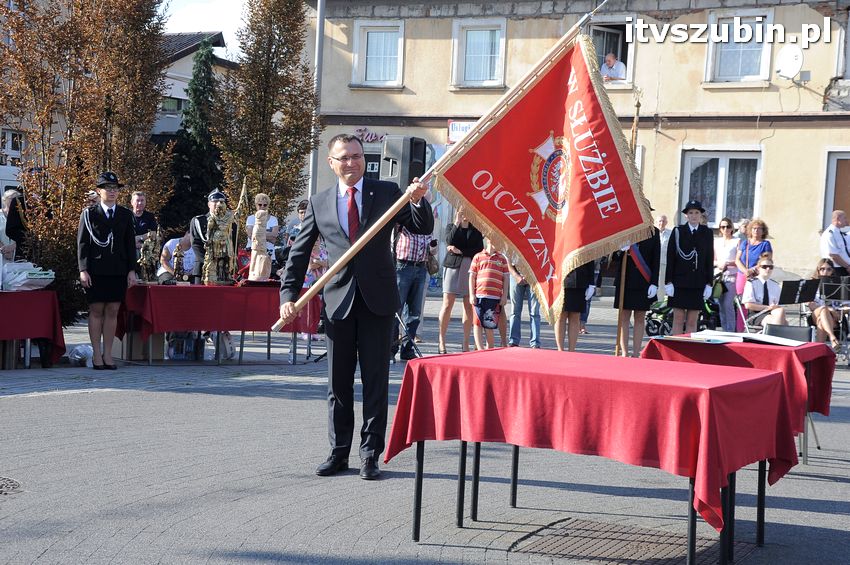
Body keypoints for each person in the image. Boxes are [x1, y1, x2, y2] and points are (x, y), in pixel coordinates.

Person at [278, 133, 433, 480]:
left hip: (378, 302)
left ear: (365, 159)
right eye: (344, 157)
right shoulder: (319, 203)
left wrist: (419, 200)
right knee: (338, 384)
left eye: (357, 156)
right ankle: (338, 453)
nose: (351, 162)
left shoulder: (388, 193)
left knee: (376, 381)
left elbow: (421, 226)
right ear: (331, 163)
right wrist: (288, 297)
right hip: (338, 304)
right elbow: (299, 254)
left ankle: (369, 454)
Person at [77, 172, 137, 370]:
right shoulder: (89, 214)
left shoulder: (125, 214)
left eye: (115, 188)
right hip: (96, 269)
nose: (112, 192)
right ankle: (96, 354)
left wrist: (131, 270)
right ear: (98, 191)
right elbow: (83, 244)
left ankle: (108, 354)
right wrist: (83, 269)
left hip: (118, 269)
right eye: (108, 188)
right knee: (96, 310)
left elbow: (129, 245)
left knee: (113, 310)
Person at [437, 211, 483, 354]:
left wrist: (460, 251)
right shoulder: (452, 226)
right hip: (452, 268)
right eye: (461, 211)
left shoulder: (476, 230)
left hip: (468, 269)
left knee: (468, 306)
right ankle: (441, 341)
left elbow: (478, 249)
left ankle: (465, 342)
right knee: (447, 304)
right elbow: (449, 240)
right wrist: (457, 222)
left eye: (466, 211)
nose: (464, 214)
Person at [665, 200, 714, 334]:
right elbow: (671, 258)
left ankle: (687, 351)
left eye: (697, 212)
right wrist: (668, 281)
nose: (694, 215)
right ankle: (676, 350)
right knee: (678, 319)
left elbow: (709, 259)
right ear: (686, 215)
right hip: (679, 282)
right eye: (691, 212)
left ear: (701, 215)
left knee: (693, 320)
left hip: (698, 282)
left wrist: (709, 283)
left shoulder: (707, 233)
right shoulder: (678, 231)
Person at [613, 230, 661, 357]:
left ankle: (635, 353)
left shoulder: (653, 232)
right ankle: (624, 352)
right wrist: (620, 250)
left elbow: (656, 259)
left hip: (644, 281)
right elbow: (613, 257)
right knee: (624, 317)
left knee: (640, 318)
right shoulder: (626, 229)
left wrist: (654, 283)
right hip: (626, 280)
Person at [391, 226, 432, 361]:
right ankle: (390, 349)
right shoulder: (405, 220)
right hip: (403, 266)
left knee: (415, 313)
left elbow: (431, 248)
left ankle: (407, 349)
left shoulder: (427, 223)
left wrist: (433, 248)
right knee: (396, 310)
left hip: (421, 267)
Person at [189, 190, 238, 284]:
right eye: (214, 201)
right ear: (209, 204)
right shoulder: (199, 221)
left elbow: (234, 243)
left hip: (224, 270)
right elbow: (196, 245)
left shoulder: (231, 223)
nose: (218, 204)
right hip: (204, 269)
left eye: (221, 202)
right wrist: (210, 263)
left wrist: (231, 262)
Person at [468, 239, 509, 350]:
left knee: (489, 323)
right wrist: (472, 294)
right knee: (477, 322)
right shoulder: (478, 256)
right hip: (479, 295)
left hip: (494, 296)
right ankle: (480, 349)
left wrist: (504, 295)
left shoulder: (502, 259)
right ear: (489, 240)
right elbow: (472, 276)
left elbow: (506, 277)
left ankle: (490, 348)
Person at [555, 261, 596, 352]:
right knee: (561, 316)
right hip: (561, 278)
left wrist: (591, 283)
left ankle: (572, 350)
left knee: (575, 316)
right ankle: (560, 350)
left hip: (580, 280)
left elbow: (590, 257)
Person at [742, 256, 788, 328]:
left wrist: (774, 307)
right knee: (784, 323)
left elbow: (779, 304)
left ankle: (774, 335)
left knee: (780, 311)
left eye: (770, 267)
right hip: (756, 314)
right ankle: (775, 336)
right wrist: (767, 307)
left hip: (771, 312)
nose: (768, 269)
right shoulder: (751, 283)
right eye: (764, 267)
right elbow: (748, 305)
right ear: (758, 268)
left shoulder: (775, 285)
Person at [808, 258, 842, 349]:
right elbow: (811, 305)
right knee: (823, 310)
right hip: (816, 313)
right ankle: (832, 337)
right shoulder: (812, 284)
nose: (825, 271)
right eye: (822, 269)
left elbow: (847, 306)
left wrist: (838, 311)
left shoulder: (839, 285)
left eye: (828, 269)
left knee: (821, 322)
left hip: (835, 317)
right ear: (818, 270)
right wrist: (828, 308)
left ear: (833, 271)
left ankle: (819, 351)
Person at [734, 217, 773, 294]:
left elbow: (766, 261)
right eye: (754, 228)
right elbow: (737, 260)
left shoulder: (765, 244)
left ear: (763, 231)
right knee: (741, 300)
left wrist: (752, 270)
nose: (756, 230)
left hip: (757, 276)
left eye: (759, 228)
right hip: (742, 276)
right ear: (750, 230)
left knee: (754, 299)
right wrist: (746, 271)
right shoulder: (745, 243)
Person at [714, 216, 739, 331]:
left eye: (728, 226)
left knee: (728, 304)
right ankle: (724, 329)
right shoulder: (716, 241)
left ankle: (731, 330)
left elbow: (740, 260)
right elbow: (712, 259)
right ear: (720, 228)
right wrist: (718, 263)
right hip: (719, 277)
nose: (725, 229)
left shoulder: (736, 241)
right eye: (723, 227)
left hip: (731, 276)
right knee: (720, 304)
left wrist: (728, 263)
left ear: (732, 228)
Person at [507, 262, 541, 348]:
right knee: (515, 311)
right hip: (515, 275)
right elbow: (508, 259)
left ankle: (535, 342)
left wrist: (532, 274)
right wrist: (516, 276)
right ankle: (513, 341)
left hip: (534, 276)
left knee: (534, 312)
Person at [820, 210, 850, 276]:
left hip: (843, 268)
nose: (846, 220)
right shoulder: (830, 233)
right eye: (844, 218)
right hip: (836, 269)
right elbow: (833, 255)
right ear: (838, 219)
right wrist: (847, 267)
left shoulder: (838, 233)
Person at [1, 188, 21, 260]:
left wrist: (13, 247)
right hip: (2, 261)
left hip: (20, 261)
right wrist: (4, 249)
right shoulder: (0, 218)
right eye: (11, 206)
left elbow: (27, 238)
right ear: (4, 206)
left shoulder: (23, 218)